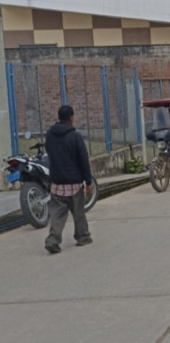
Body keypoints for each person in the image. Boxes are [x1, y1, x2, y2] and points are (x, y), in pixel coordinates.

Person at [44, 105, 94, 254]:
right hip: (74, 183)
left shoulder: (49, 135)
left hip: (57, 182)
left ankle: (53, 240)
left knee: (57, 214)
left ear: (59, 117)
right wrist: (88, 181)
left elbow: (49, 152)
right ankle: (82, 236)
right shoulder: (75, 136)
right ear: (71, 118)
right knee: (78, 212)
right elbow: (83, 160)